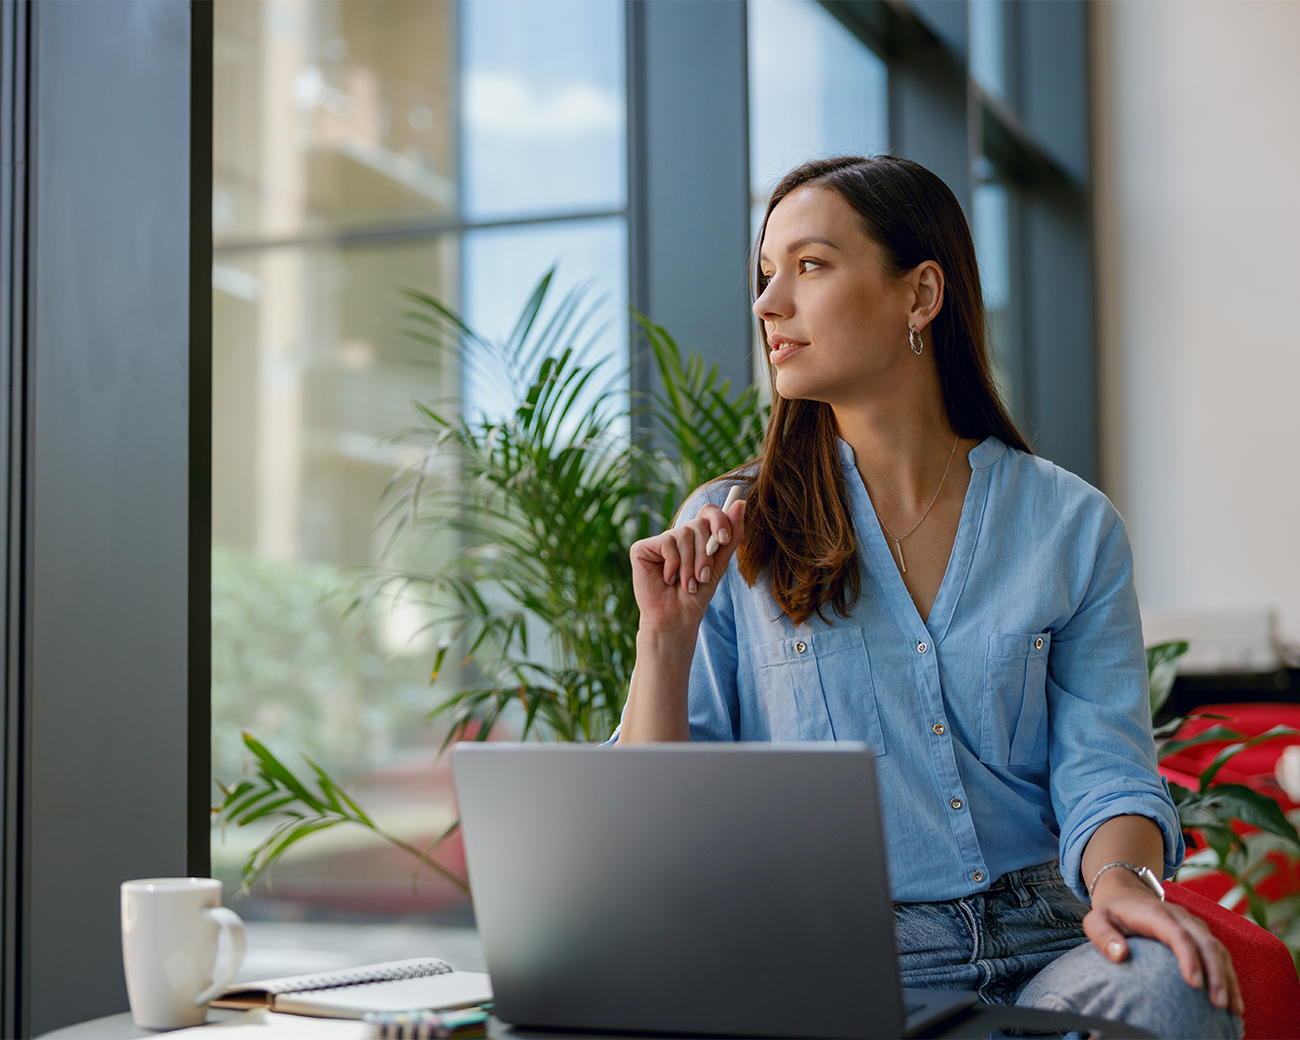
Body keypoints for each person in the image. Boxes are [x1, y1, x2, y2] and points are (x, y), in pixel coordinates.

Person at [614, 155, 1241, 1039]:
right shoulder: (729, 527)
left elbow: (1105, 769)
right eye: (765, 275)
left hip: (1050, 942)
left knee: (1170, 994)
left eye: (811, 266)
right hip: (837, 957)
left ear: (921, 294)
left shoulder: (1070, 523)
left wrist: (1125, 887)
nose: (768, 305)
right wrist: (665, 642)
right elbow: (653, 830)